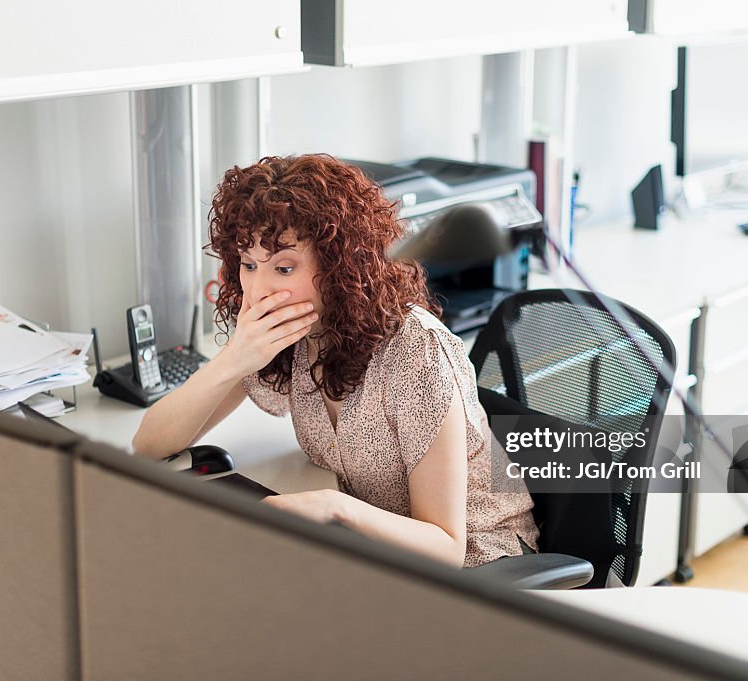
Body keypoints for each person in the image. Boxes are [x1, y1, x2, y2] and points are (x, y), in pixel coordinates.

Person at [132, 154, 537, 568]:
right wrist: (233, 359)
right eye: (248, 266)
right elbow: (149, 444)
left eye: (283, 267)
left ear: (340, 265)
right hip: (377, 552)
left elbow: (446, 546)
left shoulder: (417, 354)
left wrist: (335, 507)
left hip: (483, 565)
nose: (257, 290)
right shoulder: (287, 334)